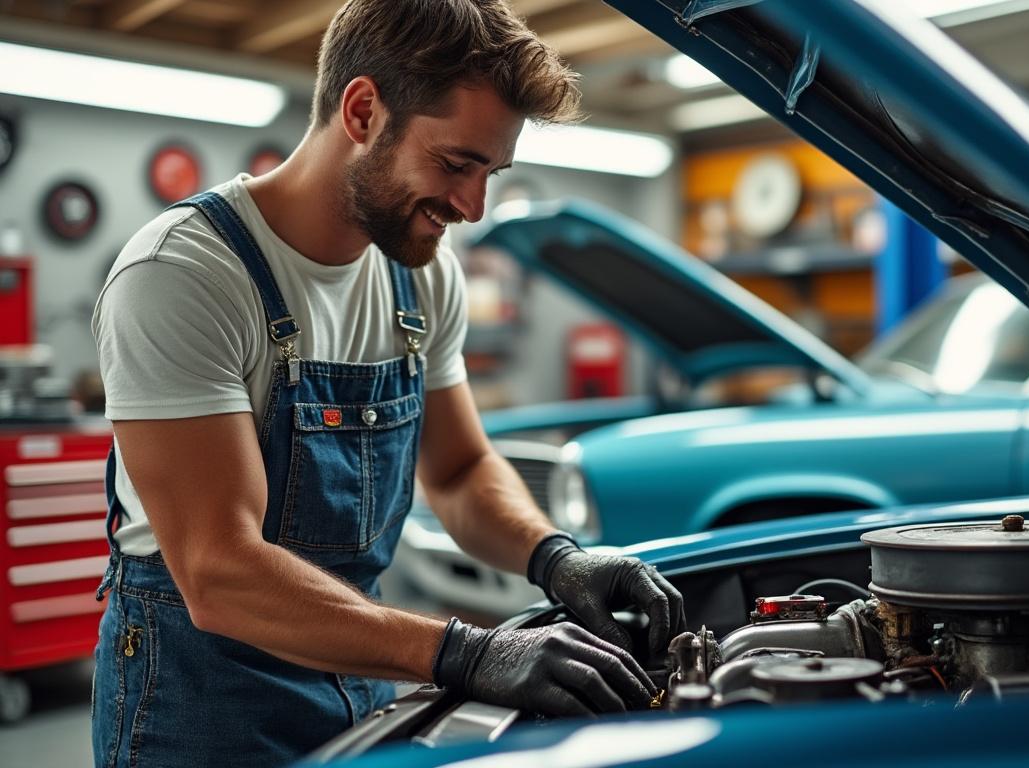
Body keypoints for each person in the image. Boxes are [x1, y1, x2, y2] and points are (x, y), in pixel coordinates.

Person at [89, 1, 684, 765]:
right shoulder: (182, 274)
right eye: (455, 164)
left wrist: (555, 557)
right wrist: (468, 652)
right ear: (364, 110)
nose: (472, 208)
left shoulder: (421, 278)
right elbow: (219, 571)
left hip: (362, 668)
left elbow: (462, 471)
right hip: (199, 701)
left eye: (489, 173)